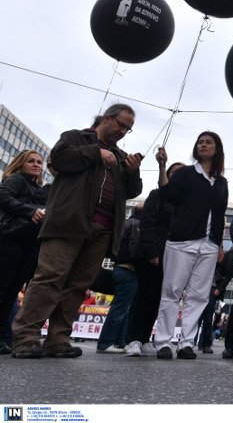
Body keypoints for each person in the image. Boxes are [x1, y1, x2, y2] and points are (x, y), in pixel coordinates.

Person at [12, 104, 143, 358]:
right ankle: (25, 337)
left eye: (128, 129)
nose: (123, 132)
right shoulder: (75, 137)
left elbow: (132, 191)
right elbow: (58, 160)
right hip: (68, 221)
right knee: (50, 278)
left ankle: (58, 339)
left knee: (78, 285)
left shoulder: (120, 155)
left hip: (103, 229)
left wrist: (132, 171)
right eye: (121, 125)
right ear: (107, 118)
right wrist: (96, 152)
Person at [153, 132, 228, 361]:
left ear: (217, 149)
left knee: (199, 296)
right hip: (182, 241)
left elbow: (220, 214)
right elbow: (167, 193)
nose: (203, 145)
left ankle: (186, 343)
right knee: (172, 291)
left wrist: (219, 245)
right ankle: (163, 342)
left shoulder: (221, 182)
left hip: (209, 246)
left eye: (209, 142)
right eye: (200, 142)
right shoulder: (185, 173)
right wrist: (162, 165)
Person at [124, 162, 184, 357]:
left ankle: (144, 339)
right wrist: (152, 252)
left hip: (170, 257)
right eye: (175, 173)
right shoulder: (156, 195)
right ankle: (133, 339)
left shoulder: (184, 202)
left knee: (158, 298)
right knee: (145, 295)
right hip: (149, 254)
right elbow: (147, 224)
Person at [0, 150, 49, 355]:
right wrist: (29, 211)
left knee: (12, 292)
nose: (36, 164)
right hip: (10, 238)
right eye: (31, 161)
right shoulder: (16, 179)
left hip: (28, 243)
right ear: (21, 163)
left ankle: (3, 337)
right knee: (3, 289)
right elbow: (2, 196)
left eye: (39, 162)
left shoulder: (37, 188)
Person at [96, 203, 143, 353]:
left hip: (119, 268)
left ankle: (119, 342)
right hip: (128, 270)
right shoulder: (137, 225)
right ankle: (106, 343)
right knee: (121, 308)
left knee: (123, 308)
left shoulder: (124, 224)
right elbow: (134, 249)